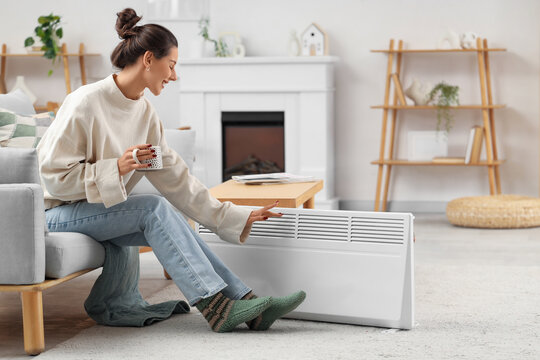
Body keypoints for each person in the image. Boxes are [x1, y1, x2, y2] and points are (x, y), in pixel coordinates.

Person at [37, 8, 305, 333]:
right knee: (152, 208)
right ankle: (217, 308)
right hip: (53, 214)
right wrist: (114, 168)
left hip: (93, 212)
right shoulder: (85, 103)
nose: (174, 76)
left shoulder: (146, 114)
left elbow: (177, 181)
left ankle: (245, 301)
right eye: (172, 65)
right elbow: (50, 178)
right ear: (149, 59)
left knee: (169, 215)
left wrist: (237, 215)